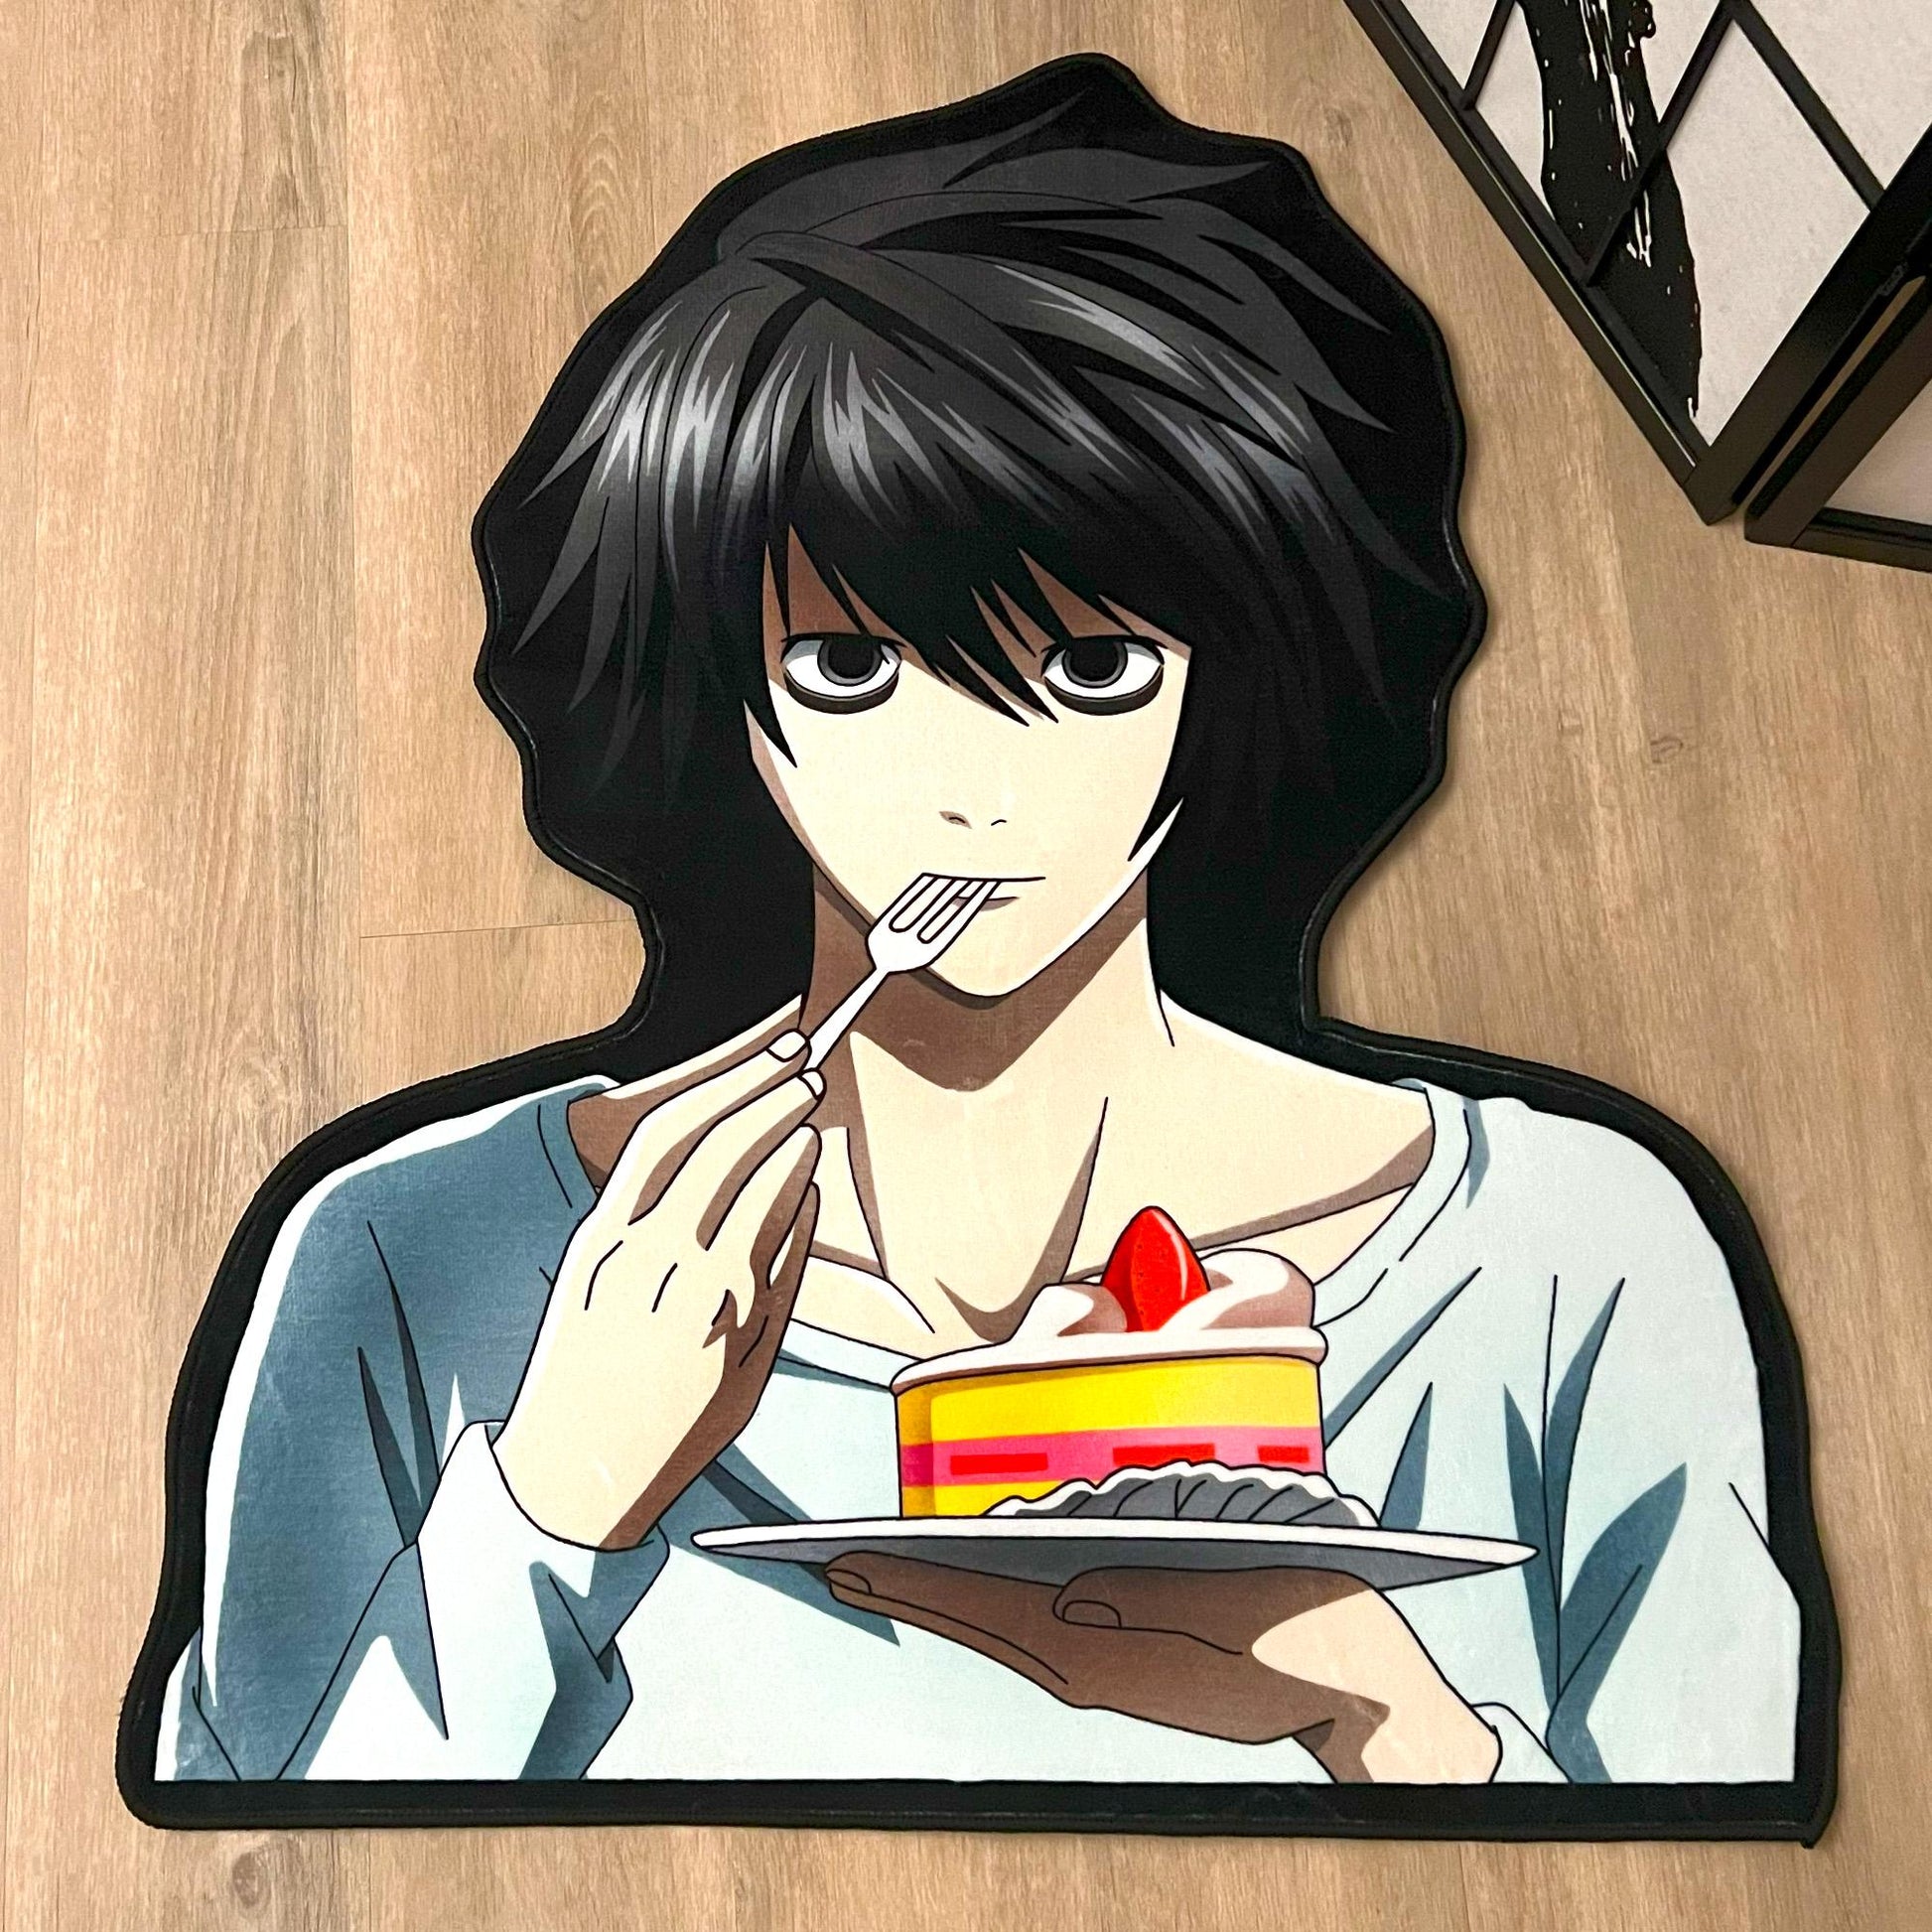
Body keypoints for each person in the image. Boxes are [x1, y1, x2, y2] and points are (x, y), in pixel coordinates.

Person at [148, 57, 1803, 1790]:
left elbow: (1741, 1859)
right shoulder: (413, 1251)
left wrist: (1385, 1720)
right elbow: (244, 1860)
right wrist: (548, 1506)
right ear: (718, 685)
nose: (973, 791)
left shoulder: (1567, 1254)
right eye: (845, 665)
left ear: (1232, 671)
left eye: (1089, 667)